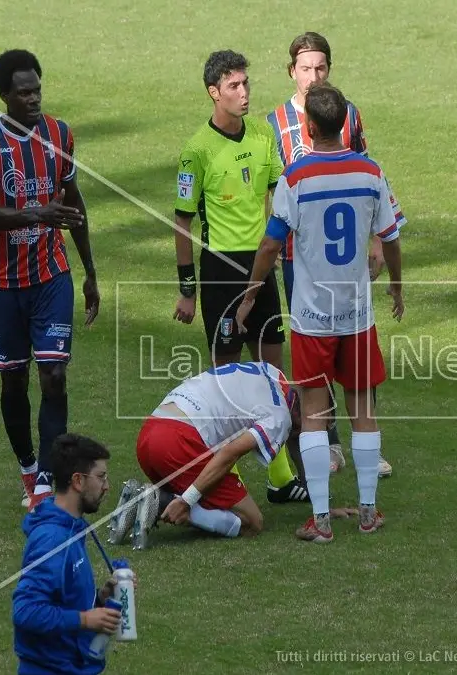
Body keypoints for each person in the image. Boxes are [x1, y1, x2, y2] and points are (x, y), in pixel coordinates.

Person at [238, 82, 404, 543]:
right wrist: (396, 284)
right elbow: (390, 238)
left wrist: (251, 293)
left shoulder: (296, 177)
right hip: (357, 316)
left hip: (312, 319)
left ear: (309, 127)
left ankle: (322, 519)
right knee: (362, 410)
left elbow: (270, 244)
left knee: (313, 413)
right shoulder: (371, 172)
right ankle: (368, 513)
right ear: (345, 123)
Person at [266, 32, 407, 479]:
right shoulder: (273, 123)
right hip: (299, 256)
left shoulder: (348, 113)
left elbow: (370, 175)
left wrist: (377, 239)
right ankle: (328, 441)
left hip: (346, 259)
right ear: (291, 71)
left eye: (321, 67)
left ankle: (365, 442)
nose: (314, 76)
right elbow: (272, 187)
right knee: (316, 347)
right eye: (306, 68)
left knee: (356, 340)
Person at [170, 50, 308, 506]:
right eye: (234, 86)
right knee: (228, 388)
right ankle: (222, 484)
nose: (244, 92)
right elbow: (182, 222)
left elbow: (278, 197)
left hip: (261, 268)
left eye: (246, 83)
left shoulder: (263, 135)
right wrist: (187, 289)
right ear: (214, 92)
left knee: (275, 380)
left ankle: (282, 478)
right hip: (220, 273)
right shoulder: (197, 151)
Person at [0, 49, 100, 512]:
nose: (34, 99)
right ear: (4, 95)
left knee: (54, 376)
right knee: (13, 381)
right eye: (24, 93)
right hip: (4, 284)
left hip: (51, 277)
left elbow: (74, 204)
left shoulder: (60, 135)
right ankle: (28, 468)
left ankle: (46, 478)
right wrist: (38, 213)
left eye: (37, 90)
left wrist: (90, 272)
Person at [110, 361, 355, 549]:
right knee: (252, 521)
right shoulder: (279, 417)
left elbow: (294, 440)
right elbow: (229, 453)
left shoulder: (274, 373)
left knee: (209, 495)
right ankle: (160, 501)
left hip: (149, 433)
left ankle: (150, 499)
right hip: (179, 441)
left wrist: (321, 508)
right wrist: (187, 500)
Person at [13, 433, 131, 675]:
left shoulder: (73, 527)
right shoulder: (52, 540)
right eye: (101, 477)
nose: (106, 486)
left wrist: (101, 597)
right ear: (78, 480)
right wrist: (85, 620)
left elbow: (65, 599)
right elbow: (25, 611)